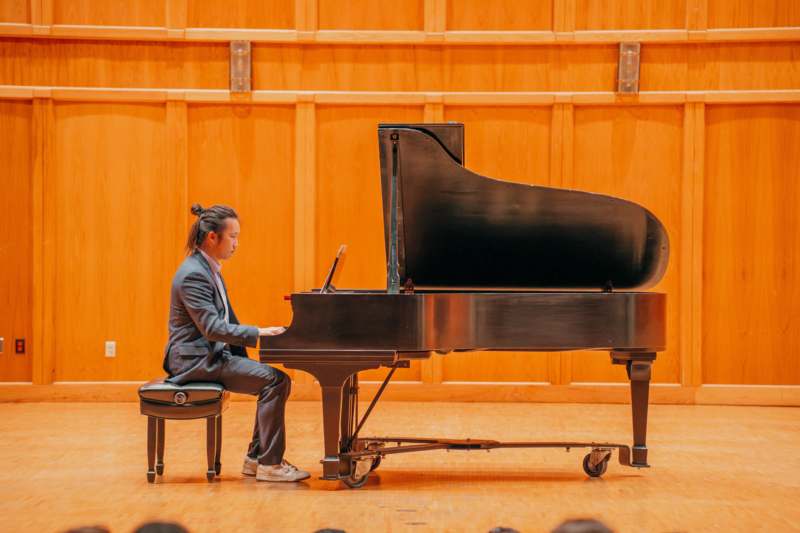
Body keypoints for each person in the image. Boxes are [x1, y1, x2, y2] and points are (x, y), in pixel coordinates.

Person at [162, 203, 309, 482]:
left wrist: (254, 351)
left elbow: (228, 318)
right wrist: (259, 333)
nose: (236, 244)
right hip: (195, 361)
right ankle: (269, 464)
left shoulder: (208, 268)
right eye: (232, 236)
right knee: (275, 381)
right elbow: (212, 328)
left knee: (273, 380)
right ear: (212, 237)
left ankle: (256, 459)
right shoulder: (194, 274)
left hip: (209, 355)